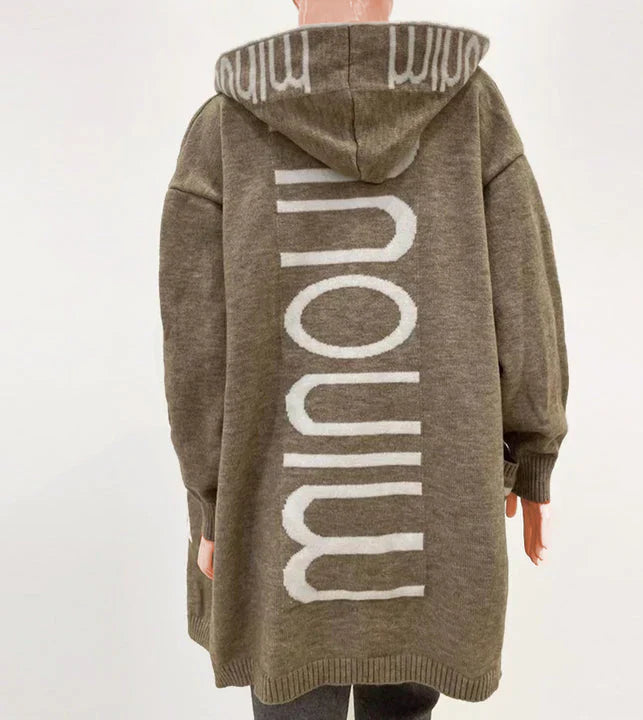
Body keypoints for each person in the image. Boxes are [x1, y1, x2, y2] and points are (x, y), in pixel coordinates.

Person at [158, 0, 569, 717]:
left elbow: (195, 346)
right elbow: (525, 295)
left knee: (291, 696)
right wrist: (534, 446)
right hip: (433, 507)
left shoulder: (224, 130)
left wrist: (212, 501)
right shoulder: (470, 111)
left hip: (284, 525)